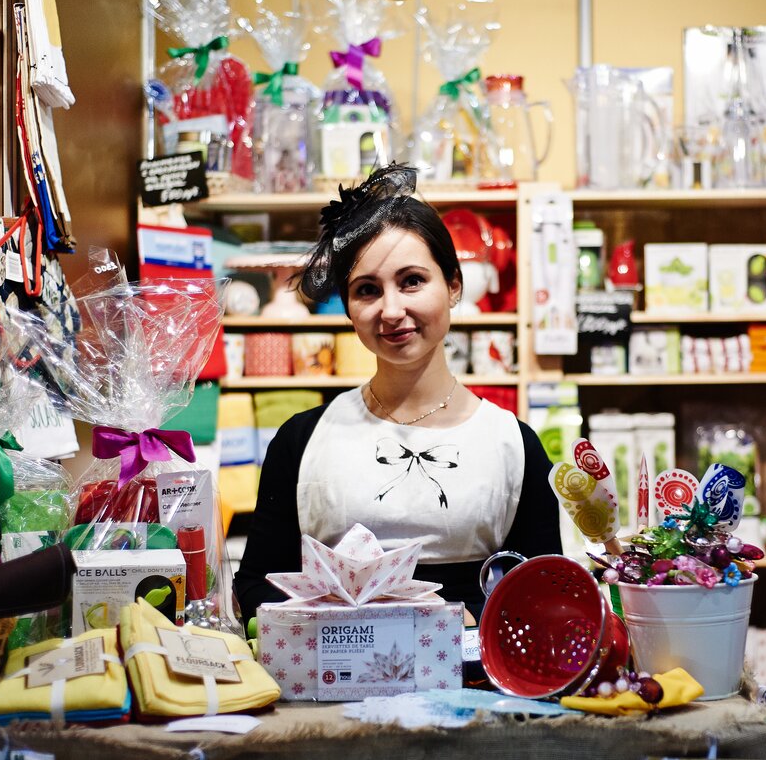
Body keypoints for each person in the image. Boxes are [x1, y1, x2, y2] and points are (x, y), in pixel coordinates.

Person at [233, 163, 562, 623]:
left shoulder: (513, 443)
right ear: (348, 307)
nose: (391, 310)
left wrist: (462, 620)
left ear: (453, 285)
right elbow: (256, 584)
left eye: (412, 281)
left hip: (473, 668)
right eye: (368, 290)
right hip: (335, 666)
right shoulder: (302, 440)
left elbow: (546, 594)